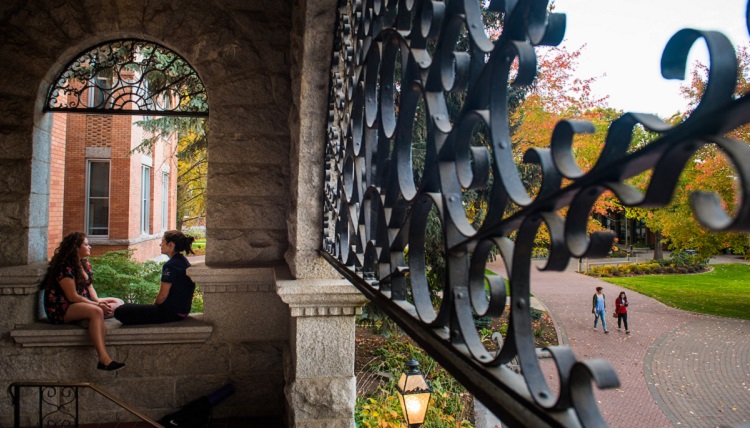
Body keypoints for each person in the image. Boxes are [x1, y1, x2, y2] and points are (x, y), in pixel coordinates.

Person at [43, 232, 125, 371]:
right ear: (76, 247)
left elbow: (89, 286)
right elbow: (72, 297)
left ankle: (89, 320)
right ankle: (104, 359)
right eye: (86, 244)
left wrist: (98, 300)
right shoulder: (64, 266)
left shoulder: (84, 263)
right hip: (62, 306)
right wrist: (98, 305)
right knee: (97, 311)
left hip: (81, 301)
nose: (90, 247)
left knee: (119, 302)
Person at [114, 230, 196, 325]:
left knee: (121, 311)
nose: (160, 245)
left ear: (171, 245)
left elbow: (162, 296)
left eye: (162, 242)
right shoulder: (182, 261)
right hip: (182, 312)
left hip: (171, 313)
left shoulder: (170, 266)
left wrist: (153, 308)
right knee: (127, 307)